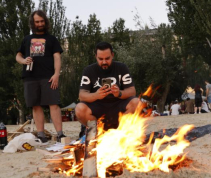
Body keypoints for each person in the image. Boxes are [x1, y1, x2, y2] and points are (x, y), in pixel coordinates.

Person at [16, 10, 66, 143]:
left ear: (45, 22)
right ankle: (41, 135)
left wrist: (56, 74)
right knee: (35, 105)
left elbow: (57, 57)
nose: (39, 24)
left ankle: (60, 134)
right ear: (33, 23)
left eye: (42, 21)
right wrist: (23, 61)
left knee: (54, 104)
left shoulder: (52, 39)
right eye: (37, 21)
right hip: (30, 77)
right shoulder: (26, 39)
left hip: (49, 77)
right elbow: (18, 55)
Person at [75, 42, 139, 130]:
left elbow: (132, 91)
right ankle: (95, 131)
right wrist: (96, 95)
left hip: (118, 105)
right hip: (97, 107)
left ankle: (122, 131)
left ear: (112, 55)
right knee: (79, 109)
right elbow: (82, 95)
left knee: (137, 103)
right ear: (95, 57)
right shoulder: (89, 70)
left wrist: (119, 93)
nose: (104, 62)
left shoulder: (122, 67)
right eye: (100, 59)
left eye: (107, 58)